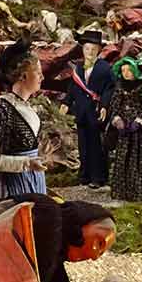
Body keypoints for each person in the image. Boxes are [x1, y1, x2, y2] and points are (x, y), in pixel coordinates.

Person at [0, 41, 47, 213]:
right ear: (23, 76)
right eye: (37, 72)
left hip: (33, 180)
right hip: (10, 187)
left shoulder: (26, 106)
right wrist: (25, 163)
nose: (42, 77)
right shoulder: (0, 110)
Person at [107, 57, 142, 202]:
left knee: (139, 158)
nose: (126, 73)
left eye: (129, 70)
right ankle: (123, 191)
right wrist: (117, 119)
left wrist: (140, 120)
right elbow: (114, 106)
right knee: (123, 158)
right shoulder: (119, 87)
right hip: (124, 130)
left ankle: (141, 190)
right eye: (123, 70)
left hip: (139, 132)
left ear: (135, 71)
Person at [62, 31, 114, 189]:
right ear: (83, 50)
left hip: (96, 111)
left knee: (96, 145)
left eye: (93, 49)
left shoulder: (104, 68)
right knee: (83, 145)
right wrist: (66, 102)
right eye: (87, 49)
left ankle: (98, 177)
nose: (90, 52)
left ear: (98, 50)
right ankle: (84, 175)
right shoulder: (78, 68)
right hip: (82, 112)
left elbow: (110, 88)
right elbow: (73, 87)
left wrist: (105, 105)